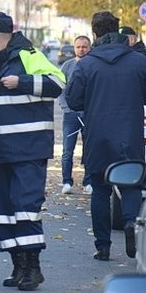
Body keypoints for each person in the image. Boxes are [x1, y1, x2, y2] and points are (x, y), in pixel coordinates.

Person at [0, 11, 65, 291]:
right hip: (1, 150)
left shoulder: (28, 55)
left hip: (29, 149)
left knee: (26, 208)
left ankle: (34, 267)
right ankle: (18, 265)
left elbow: (58, 83)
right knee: (5, 211)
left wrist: (20, 82)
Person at [66, 11, 146, 261]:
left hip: (97, 136)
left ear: (95, 34)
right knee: (130, 184)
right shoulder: (138, 62)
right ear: (118, 32)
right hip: (130, 135)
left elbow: (73, 101)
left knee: (99, 189)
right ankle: (131, 223)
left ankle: (103, 246)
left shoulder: (86, 64)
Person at [58, 35, 92, 195]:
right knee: (67, 150)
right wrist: (66, 108)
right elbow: (60, 88)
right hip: (70, 115)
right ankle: (66, 181)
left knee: (90, 149)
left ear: (89, 48)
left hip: (90, 115)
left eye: (84, 47)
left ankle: (88, 182)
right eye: (78, 47)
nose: (81, 49)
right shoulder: (67, 66)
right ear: (74, 48)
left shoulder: (94, 65)